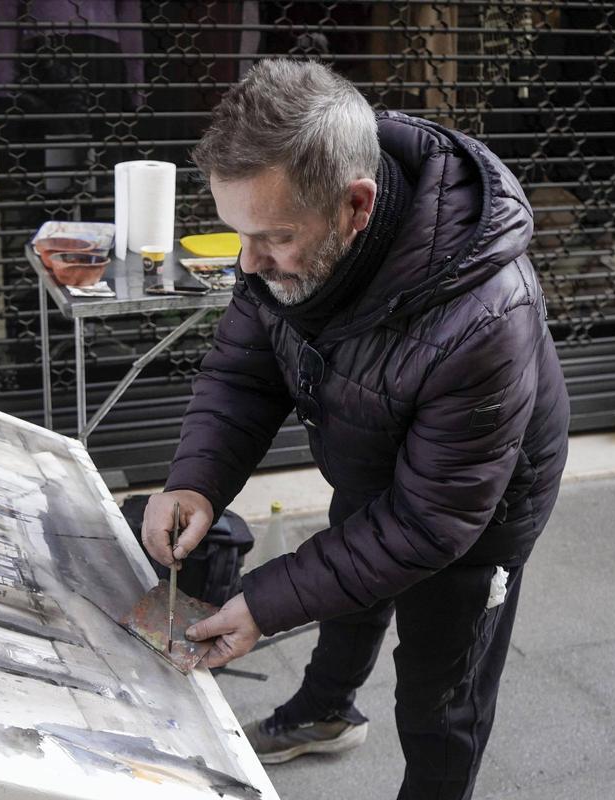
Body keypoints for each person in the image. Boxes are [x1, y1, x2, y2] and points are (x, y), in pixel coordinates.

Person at [140, 59, 570, 798]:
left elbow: (432, 522)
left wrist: (263, 605)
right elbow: (244, 373)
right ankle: (323, 712)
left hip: (478, 517)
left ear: (357, 206)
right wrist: (196, 481)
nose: (248, 262)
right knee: (345, 586)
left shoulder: (486, 316)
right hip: (371, 453)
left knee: (440, 696)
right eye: (238, 233)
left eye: (271, 238)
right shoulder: (286, 243)